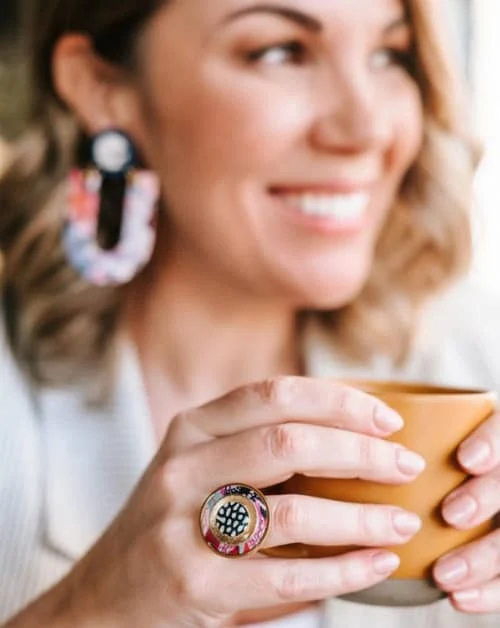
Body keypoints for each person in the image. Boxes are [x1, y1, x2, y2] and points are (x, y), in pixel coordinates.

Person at [0, 0, 499, 626]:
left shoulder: (476, 352)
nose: (365, 126)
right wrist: (92, 610)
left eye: (390, 55)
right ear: (104, 88)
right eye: (280, 51)